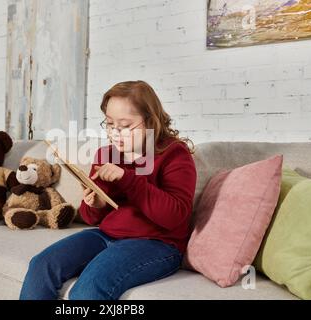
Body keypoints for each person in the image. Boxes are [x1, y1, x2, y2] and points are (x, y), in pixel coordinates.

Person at [19, 80, 197, 300]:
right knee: (41, 266)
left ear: (150, 121)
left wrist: (128, 179)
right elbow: (90, 216)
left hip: (158, 244)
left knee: (89, 288)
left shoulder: (174, 154)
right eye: (110, 124)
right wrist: (95, 204)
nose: (115, 133)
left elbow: (176, 216)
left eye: (124, 125)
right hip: (107, 234)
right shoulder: (106, 155)